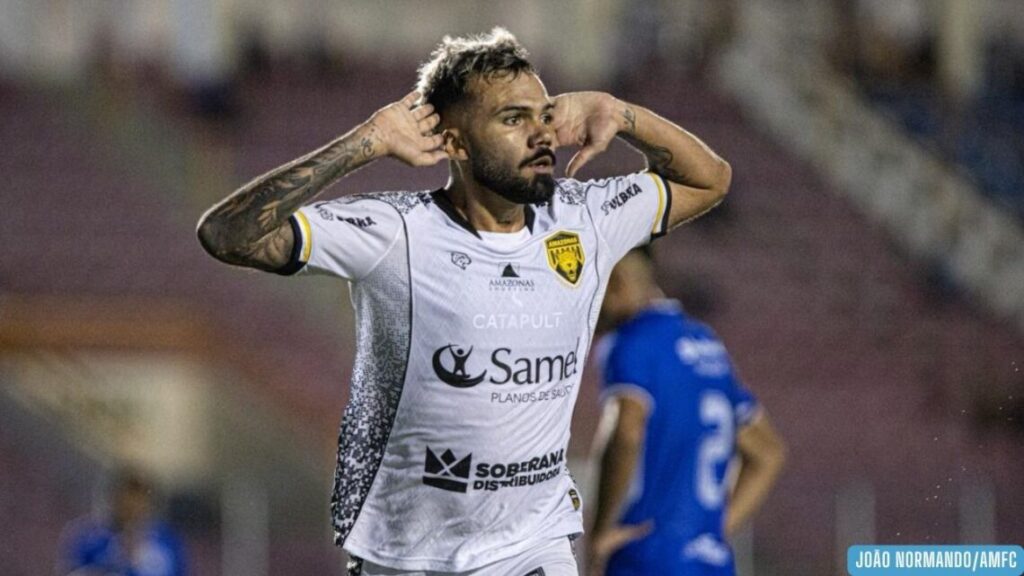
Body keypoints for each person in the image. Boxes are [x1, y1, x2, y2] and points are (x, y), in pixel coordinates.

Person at [196, 27, 731, 575]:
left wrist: (621, 115)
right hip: (403, 552)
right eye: (513, 119)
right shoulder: (397, 232)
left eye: (543, 115)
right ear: (454, 144)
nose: (541, 134)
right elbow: (227, 235)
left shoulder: (584, 216)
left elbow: (710, 180)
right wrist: (365, 142)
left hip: (533, 544)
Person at [587, 248, 786, 576]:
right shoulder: (708, 344)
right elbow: (768, 452)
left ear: (616, 283)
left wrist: (601, 531)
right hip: (711, 561)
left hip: (645, 556)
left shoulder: (630, 343)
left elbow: (627, 431)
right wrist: (714, 532)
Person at [59, 470, 188, 576]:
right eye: (127, 504)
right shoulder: (88, 537)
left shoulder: (168, 543)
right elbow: (72, 570)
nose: (133, 510)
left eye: (140, 503)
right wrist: (115, 560)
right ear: (115, 499)